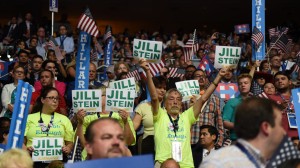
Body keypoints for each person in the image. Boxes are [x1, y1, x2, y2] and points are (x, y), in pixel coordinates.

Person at [140, 58, 226, 168]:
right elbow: (154, 98)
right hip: (164, 164)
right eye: (171, 99)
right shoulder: (160, 115)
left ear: (181, 104)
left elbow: (204, 98)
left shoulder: (187, 116)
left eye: (178, 99)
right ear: (165, 103)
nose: (175, 101)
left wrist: (219, 77)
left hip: (186, 165)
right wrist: (148, 72)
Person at [201, 97, 286, 167]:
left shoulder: (277, 161)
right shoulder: (219, 163)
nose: (284, 132)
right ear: (266, 127)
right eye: (280, 124)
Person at [25, 87, 74, 168]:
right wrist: (26, 149)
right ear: (42, 100)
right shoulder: (29, 118)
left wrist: (68, 148)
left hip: (57, 163)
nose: (55, 100)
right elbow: (22, 142)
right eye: (51, 98)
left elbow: (69, 143)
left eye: (57, 98)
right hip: (33, 162)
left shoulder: (64, 119)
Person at [133, 76, 167, 156]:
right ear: (151, 88)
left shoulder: (170, 107)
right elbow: (133, 127)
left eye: (164, 88)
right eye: (159, 87)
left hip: (167, 143)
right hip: (148, 145)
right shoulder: (142, 106)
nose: (162, 90)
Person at [190, 69, 225, 147]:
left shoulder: (215, 99)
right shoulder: (185, 99)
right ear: (192, 80)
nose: (201, 78)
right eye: (198, 76)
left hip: (208, 144)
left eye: (203, 76)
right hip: (190, 142)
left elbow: (219, 123)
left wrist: (219, 143)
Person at [223, 73, 253, 141]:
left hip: (254, 140)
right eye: (240, 83)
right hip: (236, 139)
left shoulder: (256, 102)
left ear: (250, 84)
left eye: (246, 83)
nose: (243, 85)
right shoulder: (231, 101)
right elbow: (225, 122)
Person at [269, 71, 298, 138]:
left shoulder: (298, 96)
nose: (280, 81)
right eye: (277, 80)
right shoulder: (269, 98)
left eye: (283, 79)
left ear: (290, 82)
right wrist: (279, 108)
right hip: (279, 137)